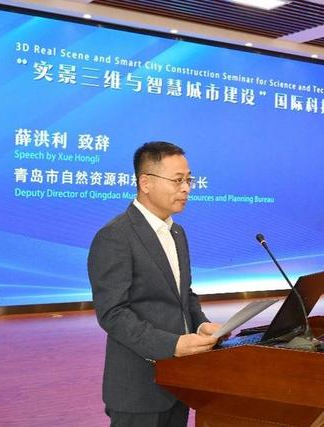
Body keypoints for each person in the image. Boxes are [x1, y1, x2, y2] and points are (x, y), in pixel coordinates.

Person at [88, 141, 222, 427]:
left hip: (178, 383)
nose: (186, 189)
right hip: (138, 390)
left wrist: (201, 324)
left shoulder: (177, 232)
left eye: (189, 180)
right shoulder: (115, 236)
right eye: (177, 180)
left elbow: (183, 294)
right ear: (145, 183)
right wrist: (172, 344)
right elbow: (112, 313)